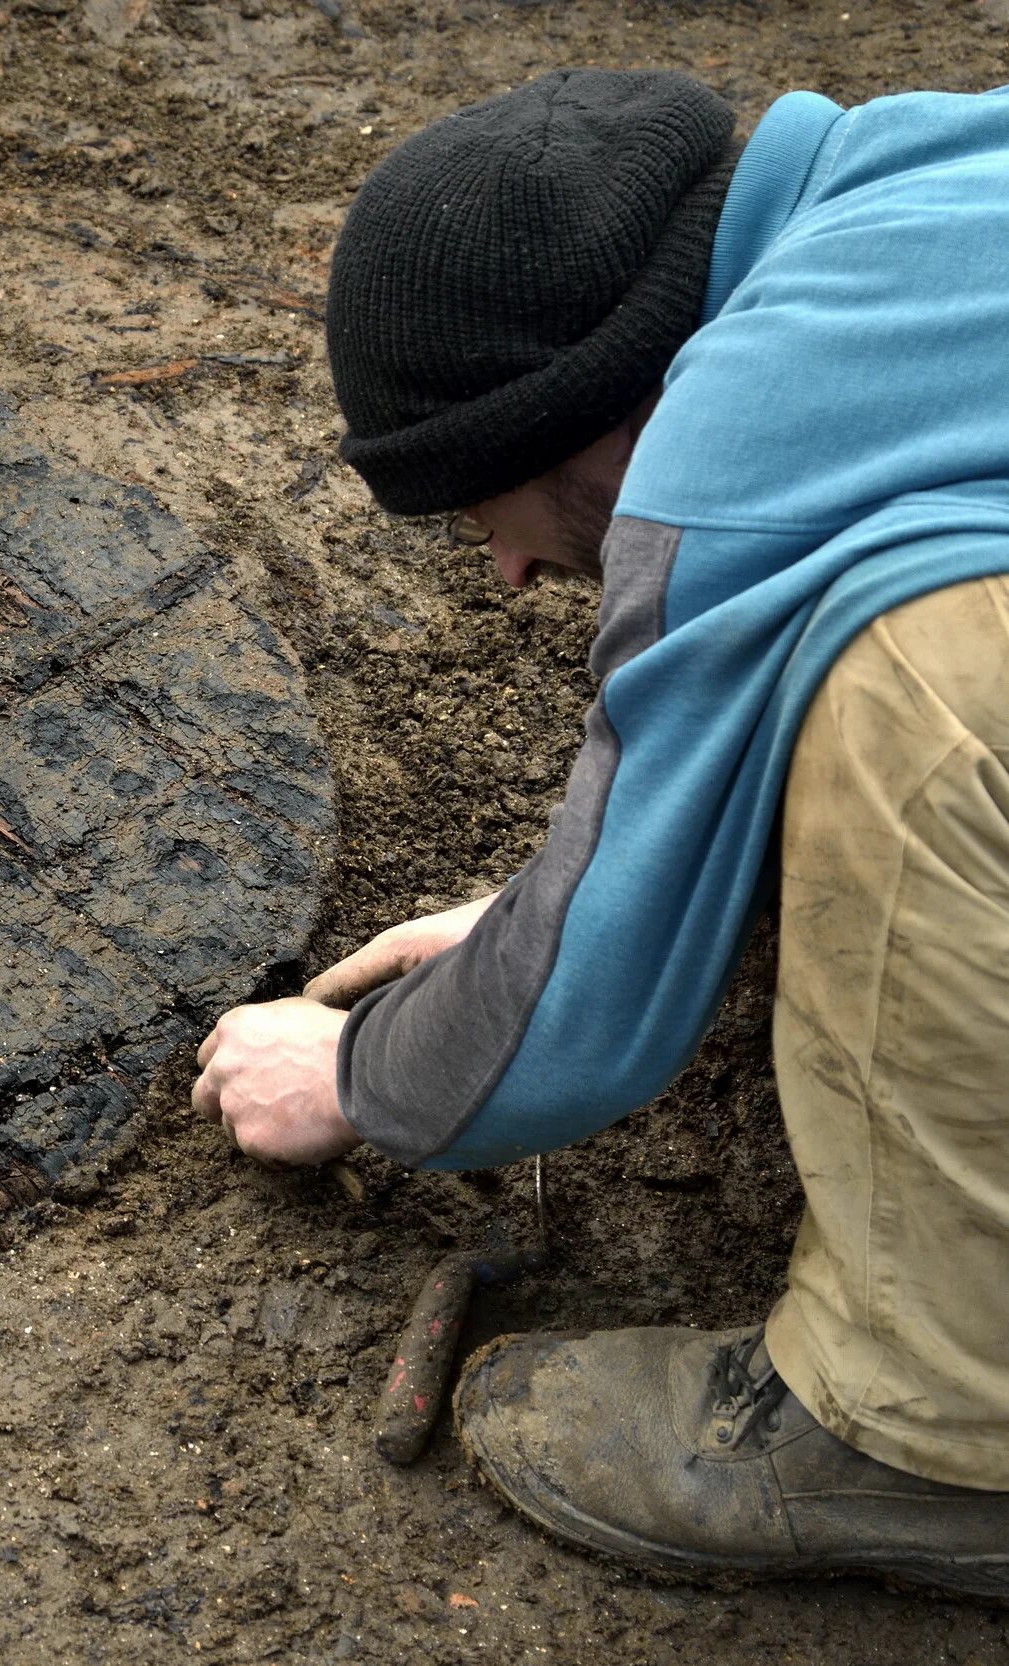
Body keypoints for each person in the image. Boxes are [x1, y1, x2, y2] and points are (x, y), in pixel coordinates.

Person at [190, 68, 1009, 1597]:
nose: (503, 572)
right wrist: (552, 906)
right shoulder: (942, 169)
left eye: (478, 506)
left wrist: (360, 1071)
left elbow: (585, 1030)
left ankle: (940, 1433)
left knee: (924, 681)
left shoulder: (728, 442)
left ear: (594, 408)